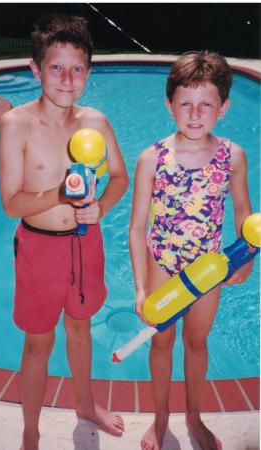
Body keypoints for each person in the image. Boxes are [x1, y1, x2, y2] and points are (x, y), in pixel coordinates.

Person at [0, 12, 128, 450]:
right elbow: (12, 202)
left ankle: (86, 406)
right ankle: (31, 431)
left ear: (89, 72)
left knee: (80, 327)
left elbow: (119, 177)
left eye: (77, 69)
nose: (67, 79)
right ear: (36, 69)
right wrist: (58, 194)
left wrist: (101, 209)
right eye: (56, 67)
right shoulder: (17, 123)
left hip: (84, 244)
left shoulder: (95, 121)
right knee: (38, 344)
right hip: (38, 248)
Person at [129, 51, 253, 450]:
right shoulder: (152, 158)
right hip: (162, 263)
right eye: (185, 104)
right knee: (161, 341)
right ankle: (160, 418)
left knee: (197, 344)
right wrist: (140, 287)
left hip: (208, 269)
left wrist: (246, 260)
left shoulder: (232, 156)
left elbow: (244, 214)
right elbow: (136, 229)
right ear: (170, 106)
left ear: (224, 107)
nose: (195, 114)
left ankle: (194, 417)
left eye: (206, 105)